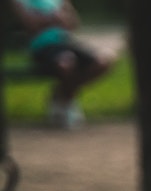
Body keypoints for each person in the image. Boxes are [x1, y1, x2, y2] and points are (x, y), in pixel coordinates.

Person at [9, 0, 115, 129]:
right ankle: (65, 103)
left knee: (102, 61)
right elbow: (31, 24)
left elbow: (73, 23)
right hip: (42, 46)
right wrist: (56, 19)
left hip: (65, 42)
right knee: (66, 62)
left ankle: (62, 96)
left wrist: (51, 19)